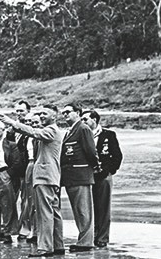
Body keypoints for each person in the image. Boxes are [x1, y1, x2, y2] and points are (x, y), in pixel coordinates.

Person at [1, 104, 65, 257]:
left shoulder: (51, 130)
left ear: (54, 116)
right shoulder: (53, 131)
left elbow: (34, 133)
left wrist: (13, 123)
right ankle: (57, 245)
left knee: (44, 213)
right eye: (40, 113)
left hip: (45, 176)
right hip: (51, 176)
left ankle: (45, 248)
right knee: (54, 212)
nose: (41, 116)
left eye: (45, 113)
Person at [60, 103, 99, 253]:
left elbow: (91, 151)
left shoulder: (83, 128)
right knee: (78, 211)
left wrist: (94, 167)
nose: (65, 115)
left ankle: (86, 242)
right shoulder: (70, 131)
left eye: (68, 112)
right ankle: (83, 240)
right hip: (71, 176)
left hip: (81, 175)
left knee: (84, 211)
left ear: (77, 112)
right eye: (63, 113)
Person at [81, 109, 123, 248]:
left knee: (103, 208)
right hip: (87, 176)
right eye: (81, 119)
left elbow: (117, 156)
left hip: (104, 176)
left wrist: (109, 171)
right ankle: (89, 237)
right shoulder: (82, 134)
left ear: (94, 120)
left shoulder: (108, 135)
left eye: (85, 119)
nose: (83, 122)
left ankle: (102, 238)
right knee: (86, 208)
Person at [18, 113, 42, 243]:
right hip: (29, 165)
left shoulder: (42, 135)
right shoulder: (26, 137)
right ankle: (31, 229)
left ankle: (38, 231)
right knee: (29, 200)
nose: (32, 124)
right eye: (30, 122)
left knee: (37, 200)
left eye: (35, 122)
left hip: (38, 166)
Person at [10, 100, 31, 237]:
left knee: (26, 200)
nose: (19, 114)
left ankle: (25, 228)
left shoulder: (32, 128)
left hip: (25, 169)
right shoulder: (13, 129)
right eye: (17, 111)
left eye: (21, 111)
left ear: (28, 111)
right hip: (12, 170)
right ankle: (11, 228)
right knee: (10, 198)